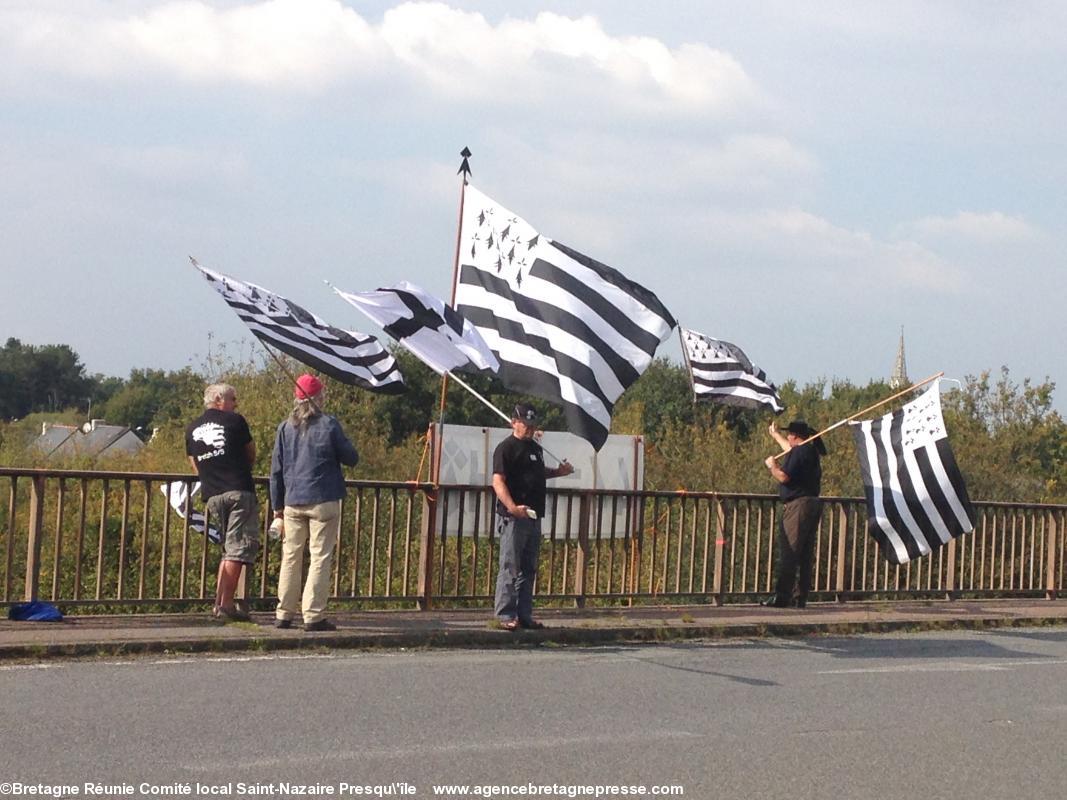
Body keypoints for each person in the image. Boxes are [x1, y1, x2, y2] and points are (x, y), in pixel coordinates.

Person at [269, 374, 359, 632]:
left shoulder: (285, 428)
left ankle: (283, 613)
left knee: (291, 557)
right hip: (324, 499)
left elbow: (276, 470)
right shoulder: (329, 425)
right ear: (318, 398)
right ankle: (313, 615)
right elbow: (351, 458)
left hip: (292, 501)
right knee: (320, 557)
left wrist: (277, 506)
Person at [492, 403, 574, 631]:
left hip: (534, 515)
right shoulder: (506, 448)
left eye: (532, 425)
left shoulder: (535, 448)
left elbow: (537, 474)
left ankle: (524, 614)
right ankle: (504, 614)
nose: (529, 429)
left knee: (529, 568)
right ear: (514, 422)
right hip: (514, 516)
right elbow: (498, 481)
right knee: (510, 565)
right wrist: (512, 507)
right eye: (525, 425)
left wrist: (558, 472)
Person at [185, 383, 259, 622]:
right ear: (219, 399)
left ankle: (220, 603)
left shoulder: (192, 428)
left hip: (213, 494)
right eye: (233, 398)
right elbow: (251, 454)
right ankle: (225, 605)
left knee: (229, 549)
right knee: (238, 550)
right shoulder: (235, 421)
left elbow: (194, 462)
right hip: (238, 490)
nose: (236, 403)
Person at [762, 420, 826, 609]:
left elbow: (784, 476)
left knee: (789, 551)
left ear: (795, 436)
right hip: (812, 504)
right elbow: (790, 449)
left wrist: (772, 466)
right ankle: (800, 596)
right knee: (805, 553)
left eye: (789, 434)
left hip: (798, 505)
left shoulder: (800, 452)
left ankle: (782, 597)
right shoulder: (809, 450)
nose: (787, 437)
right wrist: (775, 435)